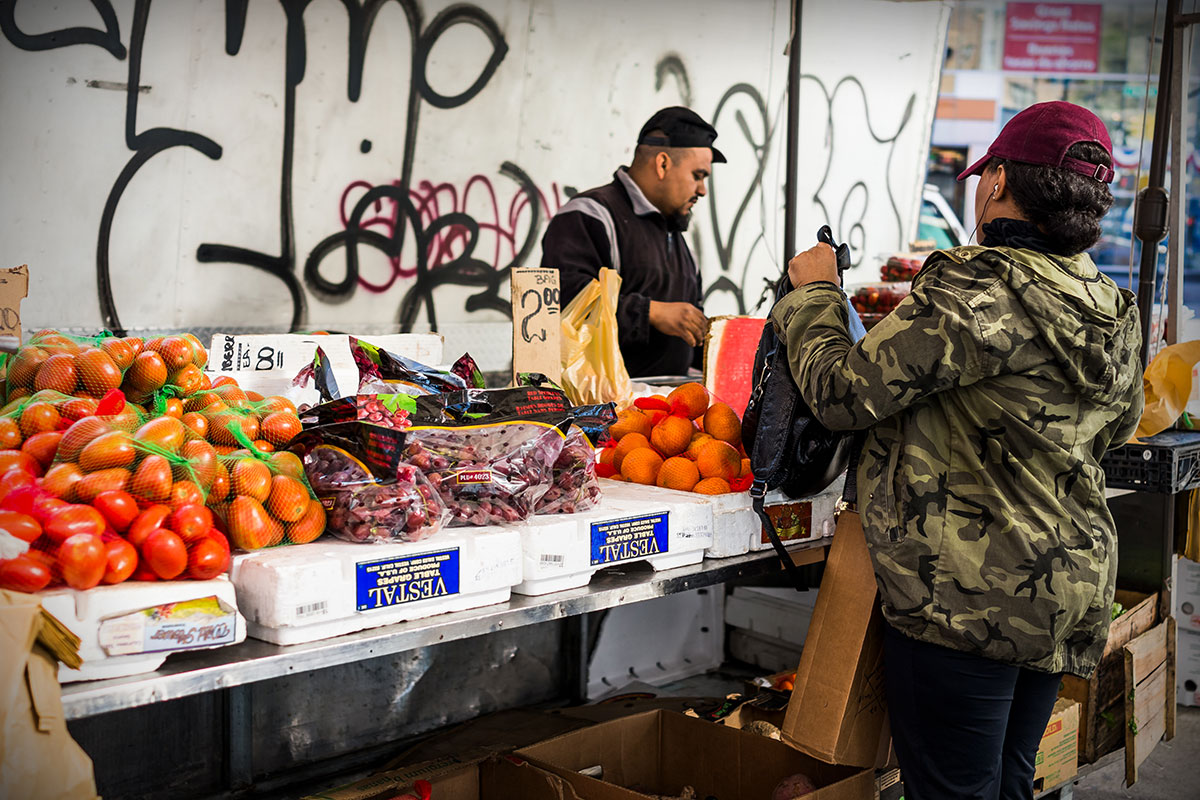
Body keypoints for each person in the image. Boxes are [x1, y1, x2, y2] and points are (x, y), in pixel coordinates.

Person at [774, 101, 1143, 799]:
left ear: (999, 180)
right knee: (1007, 784)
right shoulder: (1111, 308)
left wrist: (816, 294)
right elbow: (1117, 430)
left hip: (967, 602)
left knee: (953, 792)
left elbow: (842, 392)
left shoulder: (978, 289)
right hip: (1060, 591)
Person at [540, 106, 724, 377]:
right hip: (600, 409)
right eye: (698, 175)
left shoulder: (680, 239)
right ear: (662, 164)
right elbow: (562, 302)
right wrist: (650, 312)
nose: (702, 190)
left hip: (670, 409)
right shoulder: (590, 215)